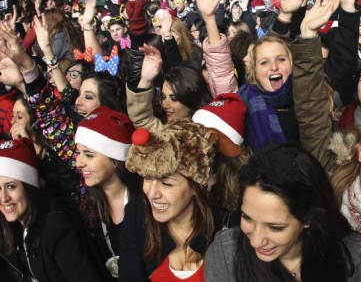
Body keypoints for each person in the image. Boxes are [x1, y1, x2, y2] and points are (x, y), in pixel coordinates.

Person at [204, 143, 361, 281]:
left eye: (275, 227)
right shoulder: (226, 254)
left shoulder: (351, 254)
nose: (255, 241)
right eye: (247, 218)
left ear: (308, 218)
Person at [120, 119, 219, 281]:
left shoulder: (223, 230)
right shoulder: (138, 214)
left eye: (166, 184)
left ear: (196, 187)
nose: (151, 194)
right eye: (147, 178)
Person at [0, 138, 105, 281]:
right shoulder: (16, 228)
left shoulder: (56, 226)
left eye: (11, 186)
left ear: (29, 187)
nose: (4, 198)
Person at [75, 106, 141, 280]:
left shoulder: (144, 200)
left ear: (115, 160)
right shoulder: (89, 205)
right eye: (78, 153)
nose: (78, 163)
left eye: (89, 155)